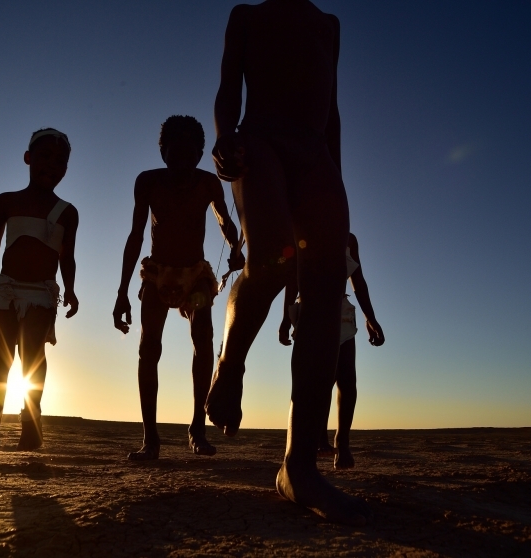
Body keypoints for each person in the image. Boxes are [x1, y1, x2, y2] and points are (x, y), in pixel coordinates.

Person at [205, 0, 372, 525]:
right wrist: (223, 131)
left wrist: (336, 177)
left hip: (316, 154)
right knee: (274, 260)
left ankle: (298, 468)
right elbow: (230, 79)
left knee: (323, 289)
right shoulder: (248, 16)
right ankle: (231, 362)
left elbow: (334, 108)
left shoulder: (329, 26)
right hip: (260, 141)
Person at [113, 115, 242, 461]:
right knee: (148, 349)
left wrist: (236, 247)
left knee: (203, 342)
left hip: (196, 276)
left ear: (201, 154)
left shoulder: (207, 184)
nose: (183, 161)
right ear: (162, 152)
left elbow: (224, 221)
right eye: (175, 153)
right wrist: (122, 291)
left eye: (191, 154)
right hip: (158, 275)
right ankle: (150, 439)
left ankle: (197, 431)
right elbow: (136, 235)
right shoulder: (148, 182)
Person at [0, 128, 79, 469]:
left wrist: (70, 289)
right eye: (44, 157)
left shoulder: (67, 212)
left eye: (61, 161)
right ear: (28, 158)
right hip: (7, 290)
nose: (52, 165)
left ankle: (31, 416)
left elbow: (66, 256)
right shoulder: (6, 201)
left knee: (32, 356)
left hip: (42, 292)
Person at [280, 232, 384, 470]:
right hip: (311, 312)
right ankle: (320, 436)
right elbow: (291, 280)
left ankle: (342, 440)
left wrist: (371, 317)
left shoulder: (348, 239)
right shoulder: (300, 233)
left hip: (341, 312)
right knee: (319, 379)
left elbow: (358, 280)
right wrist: (286, 319)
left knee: (347, 379)